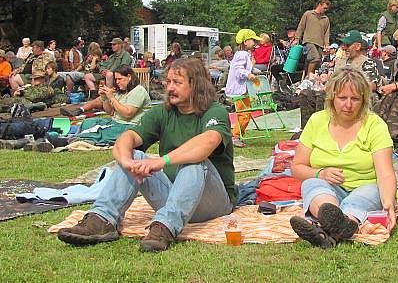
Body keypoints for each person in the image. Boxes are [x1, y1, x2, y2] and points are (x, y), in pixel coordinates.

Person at [57, 58, 236, 252]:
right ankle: (102, 219)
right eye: (168, 82)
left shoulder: (215, 112)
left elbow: (207, 142)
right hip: (172, 195)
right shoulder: (163, 112)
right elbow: (127, 137)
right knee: (135, 155)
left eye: (177, 82)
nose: (170, 88)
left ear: (196, 85)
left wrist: (162, 161)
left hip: (213, 202)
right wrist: (126, 161)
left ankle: (165, 227)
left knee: (195, 162)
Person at [290, 67, 396, 249]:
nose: (348, 105)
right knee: (310, 183)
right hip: (329, 190)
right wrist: (320, 174)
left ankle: (328, 227)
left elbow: (385, 173)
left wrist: (389, 205)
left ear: (363, 100)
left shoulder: (375, 125)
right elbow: (297, 167)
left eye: (355, 99)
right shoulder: (317, 121)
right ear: (332, 97)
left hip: (365, 187)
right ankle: (336, 222)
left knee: (371, 191)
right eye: (342, 98)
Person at [61, 64, 150, 120]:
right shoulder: (121, 91)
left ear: (129, 77)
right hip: (118, 123)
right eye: (116, 79)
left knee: (90, 131)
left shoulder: (138, 91)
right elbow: (110, 112)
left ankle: (80, 110)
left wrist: (111, 97)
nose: (117, 82)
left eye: (120, 79)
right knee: (88, 124)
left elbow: (128, 114)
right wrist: (104, 98)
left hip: (129, 127)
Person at [225, 29, 262, 148]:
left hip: (242, 88)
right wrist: (249, 75)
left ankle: (237, 135)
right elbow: (239, 70)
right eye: (253, 40)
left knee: (245, 112)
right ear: (245, 42)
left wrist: (254, 71)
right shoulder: (241, 54)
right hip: (239, 89)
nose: (255, 42)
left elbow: (246, 68)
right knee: (244, 113)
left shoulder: (245, 54)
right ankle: (235, 136)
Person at [296, 0, 331, 77]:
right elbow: (301, 26)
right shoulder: (308, 14)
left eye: (326, 9)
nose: (325, 10)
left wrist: (327, 44)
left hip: (320, 44)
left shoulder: (326, 19)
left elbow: (326, 33)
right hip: (309, 41)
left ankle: (306, 77)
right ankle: (309, 78)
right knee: (315, 58)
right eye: (324, 8)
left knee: (316, 63)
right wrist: (297, 38)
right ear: (319, 5)